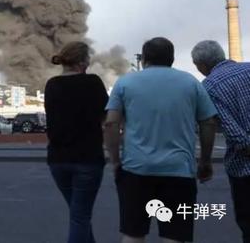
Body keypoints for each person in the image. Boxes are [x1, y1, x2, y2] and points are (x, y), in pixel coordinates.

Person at [104, 37, 218, 243]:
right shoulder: (191, 82)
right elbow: (208, 123)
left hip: (136, 169)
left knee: (133, 233)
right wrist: (205, 161)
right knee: (175, 235)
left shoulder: (125, 82)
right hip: (179, 171)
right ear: (172, 58)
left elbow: (111, 124)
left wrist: (115, 161)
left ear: (145, 58)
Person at [45, 41, 109, 243]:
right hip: (87, 159)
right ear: (82, 62)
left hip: (58, 161)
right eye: (88, 58)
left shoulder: (52, 85)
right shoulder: (93, 82)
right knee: (80, 216)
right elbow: (106, 118)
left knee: (78, 214)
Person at [191, 40, 250, 242]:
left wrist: (204, 162)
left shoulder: (209, 87)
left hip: (244, 169)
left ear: (202, 65)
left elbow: (234, 133)